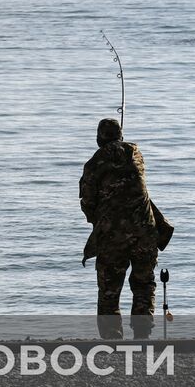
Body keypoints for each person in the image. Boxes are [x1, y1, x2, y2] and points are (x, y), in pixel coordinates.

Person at [79, 118, 170, 339]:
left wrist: (99, 219)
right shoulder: (137, 155)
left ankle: (112, 338)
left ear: (99, 138)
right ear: (120, 135)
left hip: (112, 237)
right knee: (143, 284)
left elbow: (87, 202)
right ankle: (142, 334)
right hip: (145, 233)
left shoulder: (95, 163)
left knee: (110, 288)